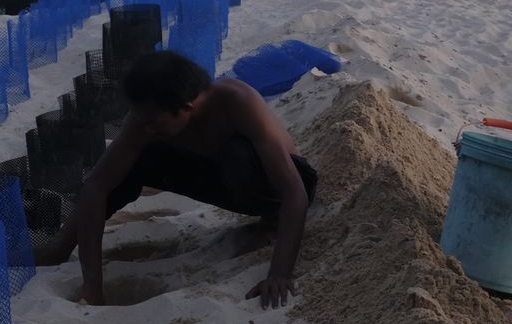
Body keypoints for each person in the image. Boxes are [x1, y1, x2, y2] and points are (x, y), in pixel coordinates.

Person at [42, 50, 317, 309]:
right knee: (131, 160)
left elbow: (294, 190)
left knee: (237, 154)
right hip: (220, 178)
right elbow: (95, 186)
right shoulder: (147, 120)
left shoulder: (237, 102)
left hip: (276, 189)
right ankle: (61, 247)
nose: (146, 127)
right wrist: (92, 284)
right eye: (142, 119)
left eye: (154, 122)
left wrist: (280, 273)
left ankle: (273, 219)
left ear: (186, 107)